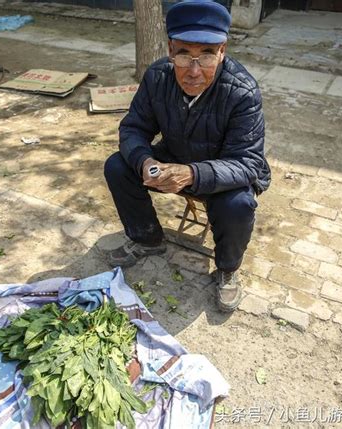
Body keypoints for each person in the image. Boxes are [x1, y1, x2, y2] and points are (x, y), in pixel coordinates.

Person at [104, 0, 271, 312]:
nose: (195, 71)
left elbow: (248, 163)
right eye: (184, 54)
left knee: (239, 203)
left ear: (222, 51)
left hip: (224, 170)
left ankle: (227, 269)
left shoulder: (242, 91)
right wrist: (146, 162)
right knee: (117, 166)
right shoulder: (157, 78)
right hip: (174, 157)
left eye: (206, 55)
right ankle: (147, 239)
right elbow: (132, 129)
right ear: (170, 50)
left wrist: (192, 173)